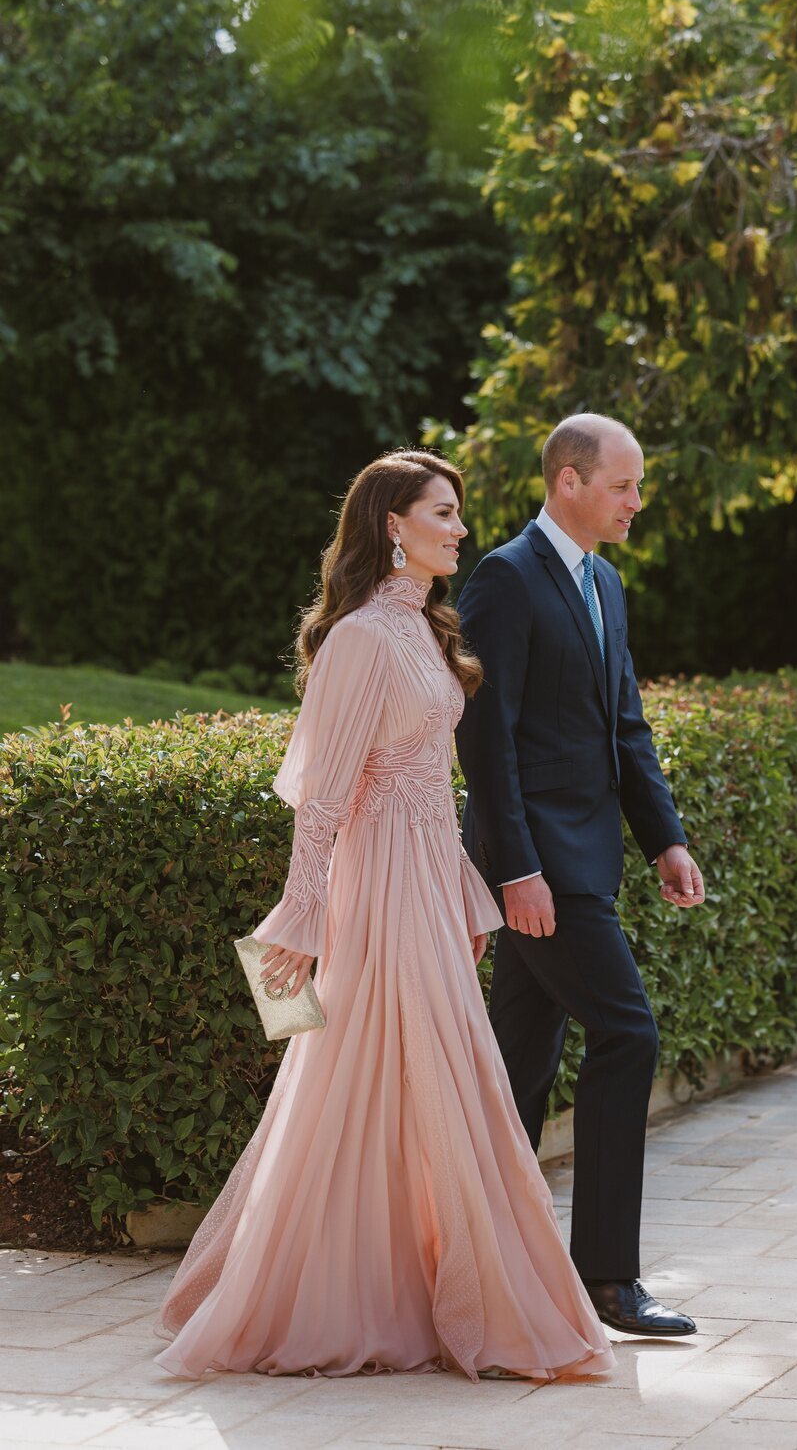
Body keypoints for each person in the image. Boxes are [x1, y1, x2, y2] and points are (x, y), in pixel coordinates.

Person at [151, 450, 616, 1383]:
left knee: (420, 1080)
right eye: (442, 513)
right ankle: (327, 1296)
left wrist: (463, 885)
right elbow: (326, 796)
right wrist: (301, 914)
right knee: (388, 1074)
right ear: (391, 525)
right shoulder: (362, 638)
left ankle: (414, 1284)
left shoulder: (422, 630)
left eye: (458, 513)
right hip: (377, 895)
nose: (459, 528)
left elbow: (424, 787)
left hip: (426, 887)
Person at [455, 412, 706, 1339]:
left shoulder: (605, 581)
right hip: (541, 869)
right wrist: (516, 868)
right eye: (624, 485)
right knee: (628, 1032)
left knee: (515, 1074)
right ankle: (605, 1277)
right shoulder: (506, 578)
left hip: (590, 857)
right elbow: (486, 733)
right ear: (570, 480)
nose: (636, 501)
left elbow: (624, 727)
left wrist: (665, 839)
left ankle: (475, 1265)